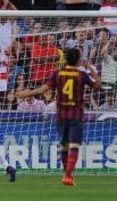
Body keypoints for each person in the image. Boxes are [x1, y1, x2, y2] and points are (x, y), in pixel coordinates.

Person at [16, 48, 101, 186]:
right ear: (79, 60)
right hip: (76, 115)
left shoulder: (57, 74)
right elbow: (97, 86)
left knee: (64, 146)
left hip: (61, 115)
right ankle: (68, 176)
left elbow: (43, 89)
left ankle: (66, 174)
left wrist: (25, 94)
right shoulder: (82, 75)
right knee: (74, 145)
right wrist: (92, 68)